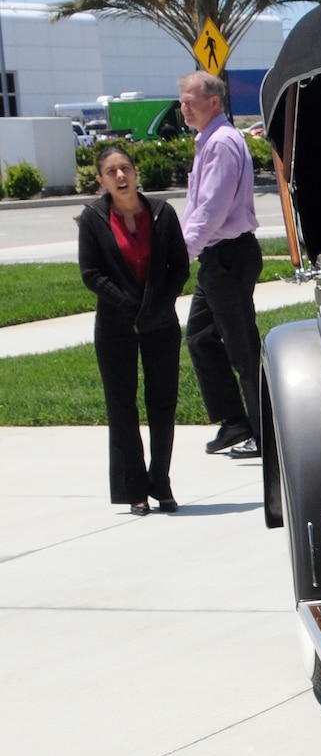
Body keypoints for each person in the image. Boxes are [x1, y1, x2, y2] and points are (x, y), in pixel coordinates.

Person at [77, 144, 190, 515]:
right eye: (111, 172)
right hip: (114, 327)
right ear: (101, 180)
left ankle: (162, 482)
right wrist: (129, 305)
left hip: (161, 323)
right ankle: (134, 490)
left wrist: (155, 306)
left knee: (163, 404)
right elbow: (91, 274)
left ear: (136, 171)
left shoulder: (162, 214)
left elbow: (180, 267)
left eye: (125, 168)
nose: (120, 177)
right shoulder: (93, 218)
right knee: (122, 407)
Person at [178, 71, 264, 460]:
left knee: (243, 348)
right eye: (182, 100)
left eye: (189, 100)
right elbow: (197, 206)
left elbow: (212, 208)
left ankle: (265, 434)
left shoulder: (222, 143)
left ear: (213, 102)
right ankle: (234, 421)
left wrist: (183, 253)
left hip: (229, 254)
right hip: (217, 257)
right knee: (199, 336)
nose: (183, 107)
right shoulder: (208, 141)